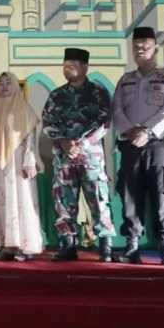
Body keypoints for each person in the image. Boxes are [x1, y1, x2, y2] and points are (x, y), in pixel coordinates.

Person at [113, 26, 164, 266]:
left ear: (156, 48)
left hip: (159, 145)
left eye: (145, 46)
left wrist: (147, 131)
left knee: (163, 195)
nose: (140, 50)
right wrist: (131, 131)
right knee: (130, 195)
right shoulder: (126, 80)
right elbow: (117, 110)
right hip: (131, 144)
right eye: (136, 46)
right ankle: (132, 246)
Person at [41, 48, 116, 262]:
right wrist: (64, 142)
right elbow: (47, 122)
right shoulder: (56, 95)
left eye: (72, 65)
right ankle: (68, 245)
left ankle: (105, 245)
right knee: (63, 200)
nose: (67, 68)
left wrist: (81, 144)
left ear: (85, 67)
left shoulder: (98, 93)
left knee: (98, 200)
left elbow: (104, 122)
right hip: (64, 156)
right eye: (65, 65)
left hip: (91, 157)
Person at [0, 71, 44, 262]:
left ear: (15, 86)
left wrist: (29, 159)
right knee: (4, 202)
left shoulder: (23, 108)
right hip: (0, 164)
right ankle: (8, 245)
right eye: (1, 83)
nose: (4, 87)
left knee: (22, 201)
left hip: (19, 162)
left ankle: (26, 246)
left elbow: (30, 137)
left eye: (8, 83)